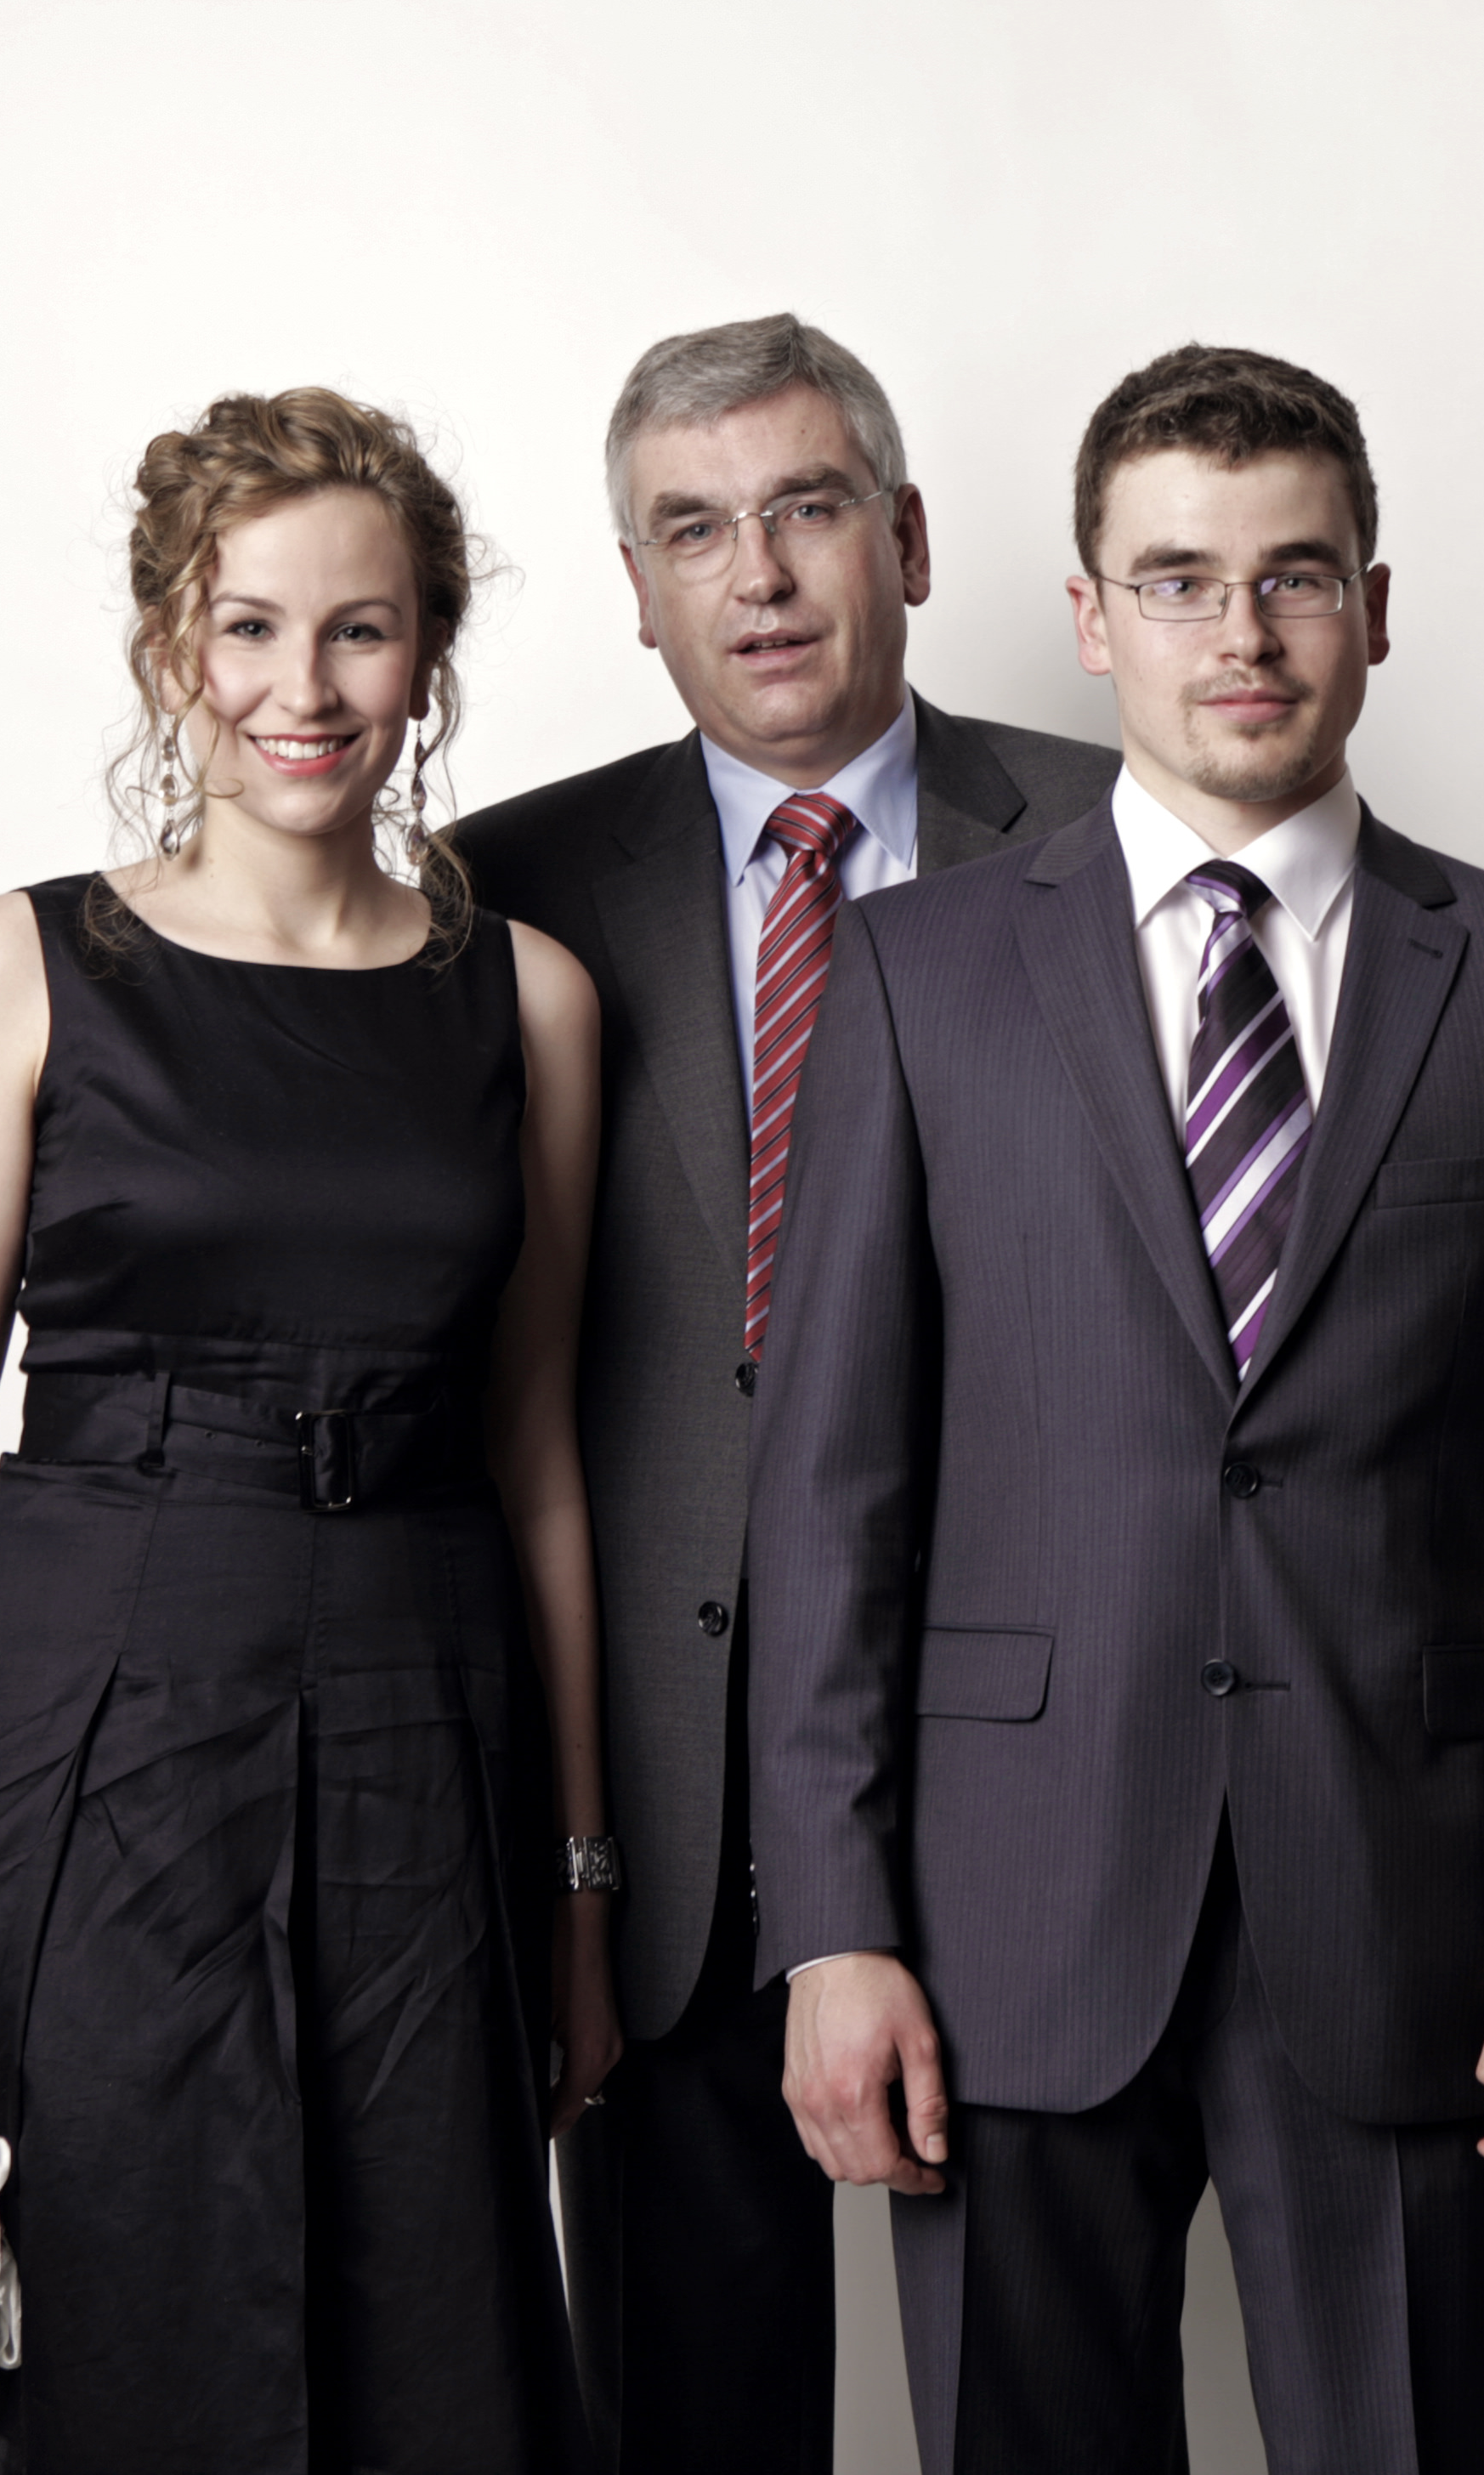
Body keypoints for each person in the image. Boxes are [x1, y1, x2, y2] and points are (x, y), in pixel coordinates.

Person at [746, 343, 1484, 2473]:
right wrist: (830, 1923)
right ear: (1091, 618)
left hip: (1414, 1917)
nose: (1242, 632)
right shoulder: (916, 975)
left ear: (1377, 603)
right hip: (1005, 1922)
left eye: (1295, 575)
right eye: (1179, 580)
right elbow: (829, 1501)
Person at [0, 388, 614, 2472]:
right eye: (249, 628)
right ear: (167, 647)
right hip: (87, 1735)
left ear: (428, 656)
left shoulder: (535, 1000)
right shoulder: (19, 968)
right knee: (123, 2357)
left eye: (361, 630)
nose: (304, 689)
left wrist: (584, 1890)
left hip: (427, 1746)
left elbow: (537, 1461)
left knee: (444, 2373)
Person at [449, 313, 1117, 2472]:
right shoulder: (501, 893)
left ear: (906, 540)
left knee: (1042, 2399)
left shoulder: (1119, 829)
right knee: (682, 2417)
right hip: (653, 1802)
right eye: (693, 531)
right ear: (636, 590)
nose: (757, 575)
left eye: (807, 509)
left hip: (1042, 1767)